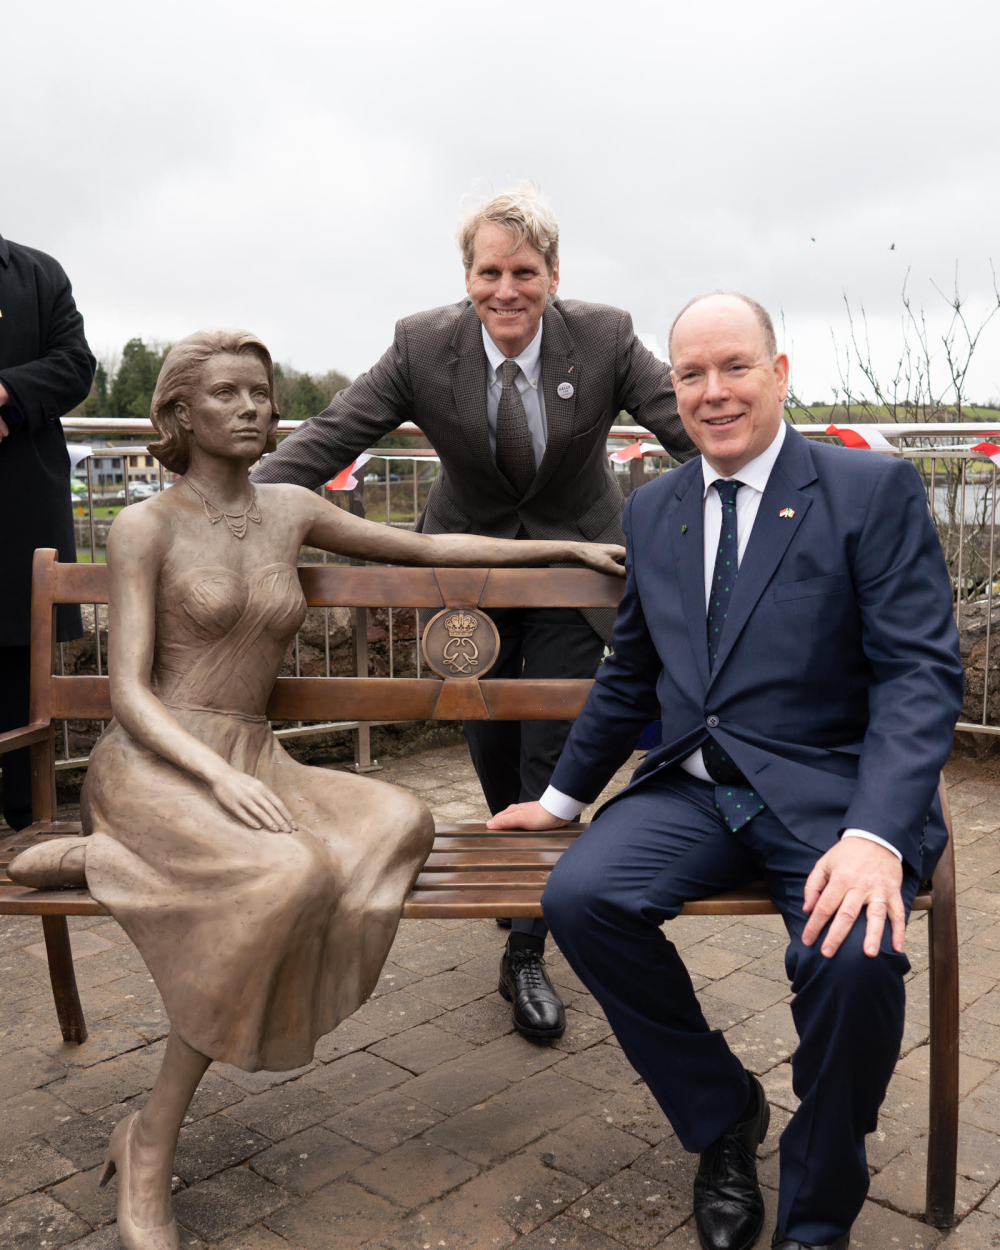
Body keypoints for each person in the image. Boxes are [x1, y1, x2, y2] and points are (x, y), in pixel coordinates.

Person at [8, 327, 625, 1250]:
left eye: (261, 391)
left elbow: (426, 551)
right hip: (162, 763)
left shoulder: (291, 507)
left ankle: (107, 864)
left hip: (257, 756)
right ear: (179, 412)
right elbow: (129, 694)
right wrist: (212, 772)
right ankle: (149, 1140)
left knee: (399, 819)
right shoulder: (146, 525)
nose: (253, 407)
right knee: (287, 880)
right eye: (226, 394)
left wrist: (568, 554)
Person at [486, 292, 964, 1250]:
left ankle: (820, 1211)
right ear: (672, 390)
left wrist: (875, 838)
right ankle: (723, 1116)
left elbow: (920, 674)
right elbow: (630, 672)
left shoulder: (871, 491)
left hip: (834, 797)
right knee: (581, 899)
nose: (714, 393)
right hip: (697, 789)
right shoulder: (655, 506)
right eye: (692, 375)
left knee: (854, 962)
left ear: (779, 373)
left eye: (735, 367)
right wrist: (558, 799)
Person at [252, 185, 695, 1038]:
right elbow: (335, 434)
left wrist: (795, 484)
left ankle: (526, 942)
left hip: (572, 566)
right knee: (489, 734)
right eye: (489, 272)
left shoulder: (602, 336)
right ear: (467, 277)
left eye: (524, 272)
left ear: (553, 275)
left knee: (551, 739)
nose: (506, 290)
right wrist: (225, 498)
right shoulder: (424, 345)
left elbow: (684, 424)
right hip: (465, 573)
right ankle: (519, 863)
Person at [0, 232, 95, 831]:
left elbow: (75, 365)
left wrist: (6, 395)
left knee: (18, 656)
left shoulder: (38, 272)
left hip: (18, 502)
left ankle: (25, 817)